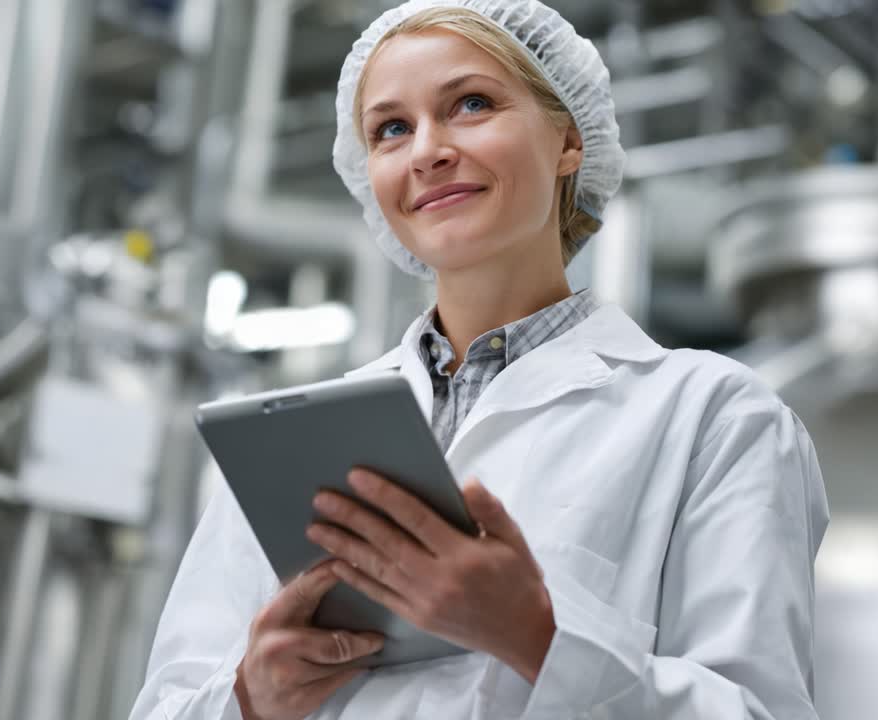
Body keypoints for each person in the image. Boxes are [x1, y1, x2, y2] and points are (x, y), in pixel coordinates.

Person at [129, 1, 829, 718]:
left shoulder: (714, 417)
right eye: (392, 129)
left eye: (471, 104)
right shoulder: (291, 440)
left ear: (568, 140)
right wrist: (250, 697)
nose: (427, 151)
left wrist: (536, 635)